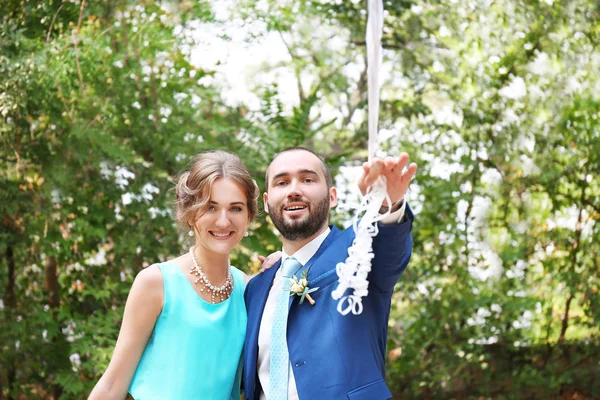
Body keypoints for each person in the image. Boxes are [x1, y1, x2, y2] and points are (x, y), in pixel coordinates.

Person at [90, 150, 278, 400]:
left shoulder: (249, 290)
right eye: (211, 207)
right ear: (190, 213)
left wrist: (283, 267)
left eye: (235, 208)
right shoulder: (156, 283)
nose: (223, 221)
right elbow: (112, 385)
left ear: (249, 217)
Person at [243, 147, 417, 400]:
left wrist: (386, 205)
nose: (294, 190)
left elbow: (390, 248)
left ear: (332, 196)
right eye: (282, 182)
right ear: (267, 203)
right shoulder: (256, 288)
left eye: (308, 179)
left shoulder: (359, 249)